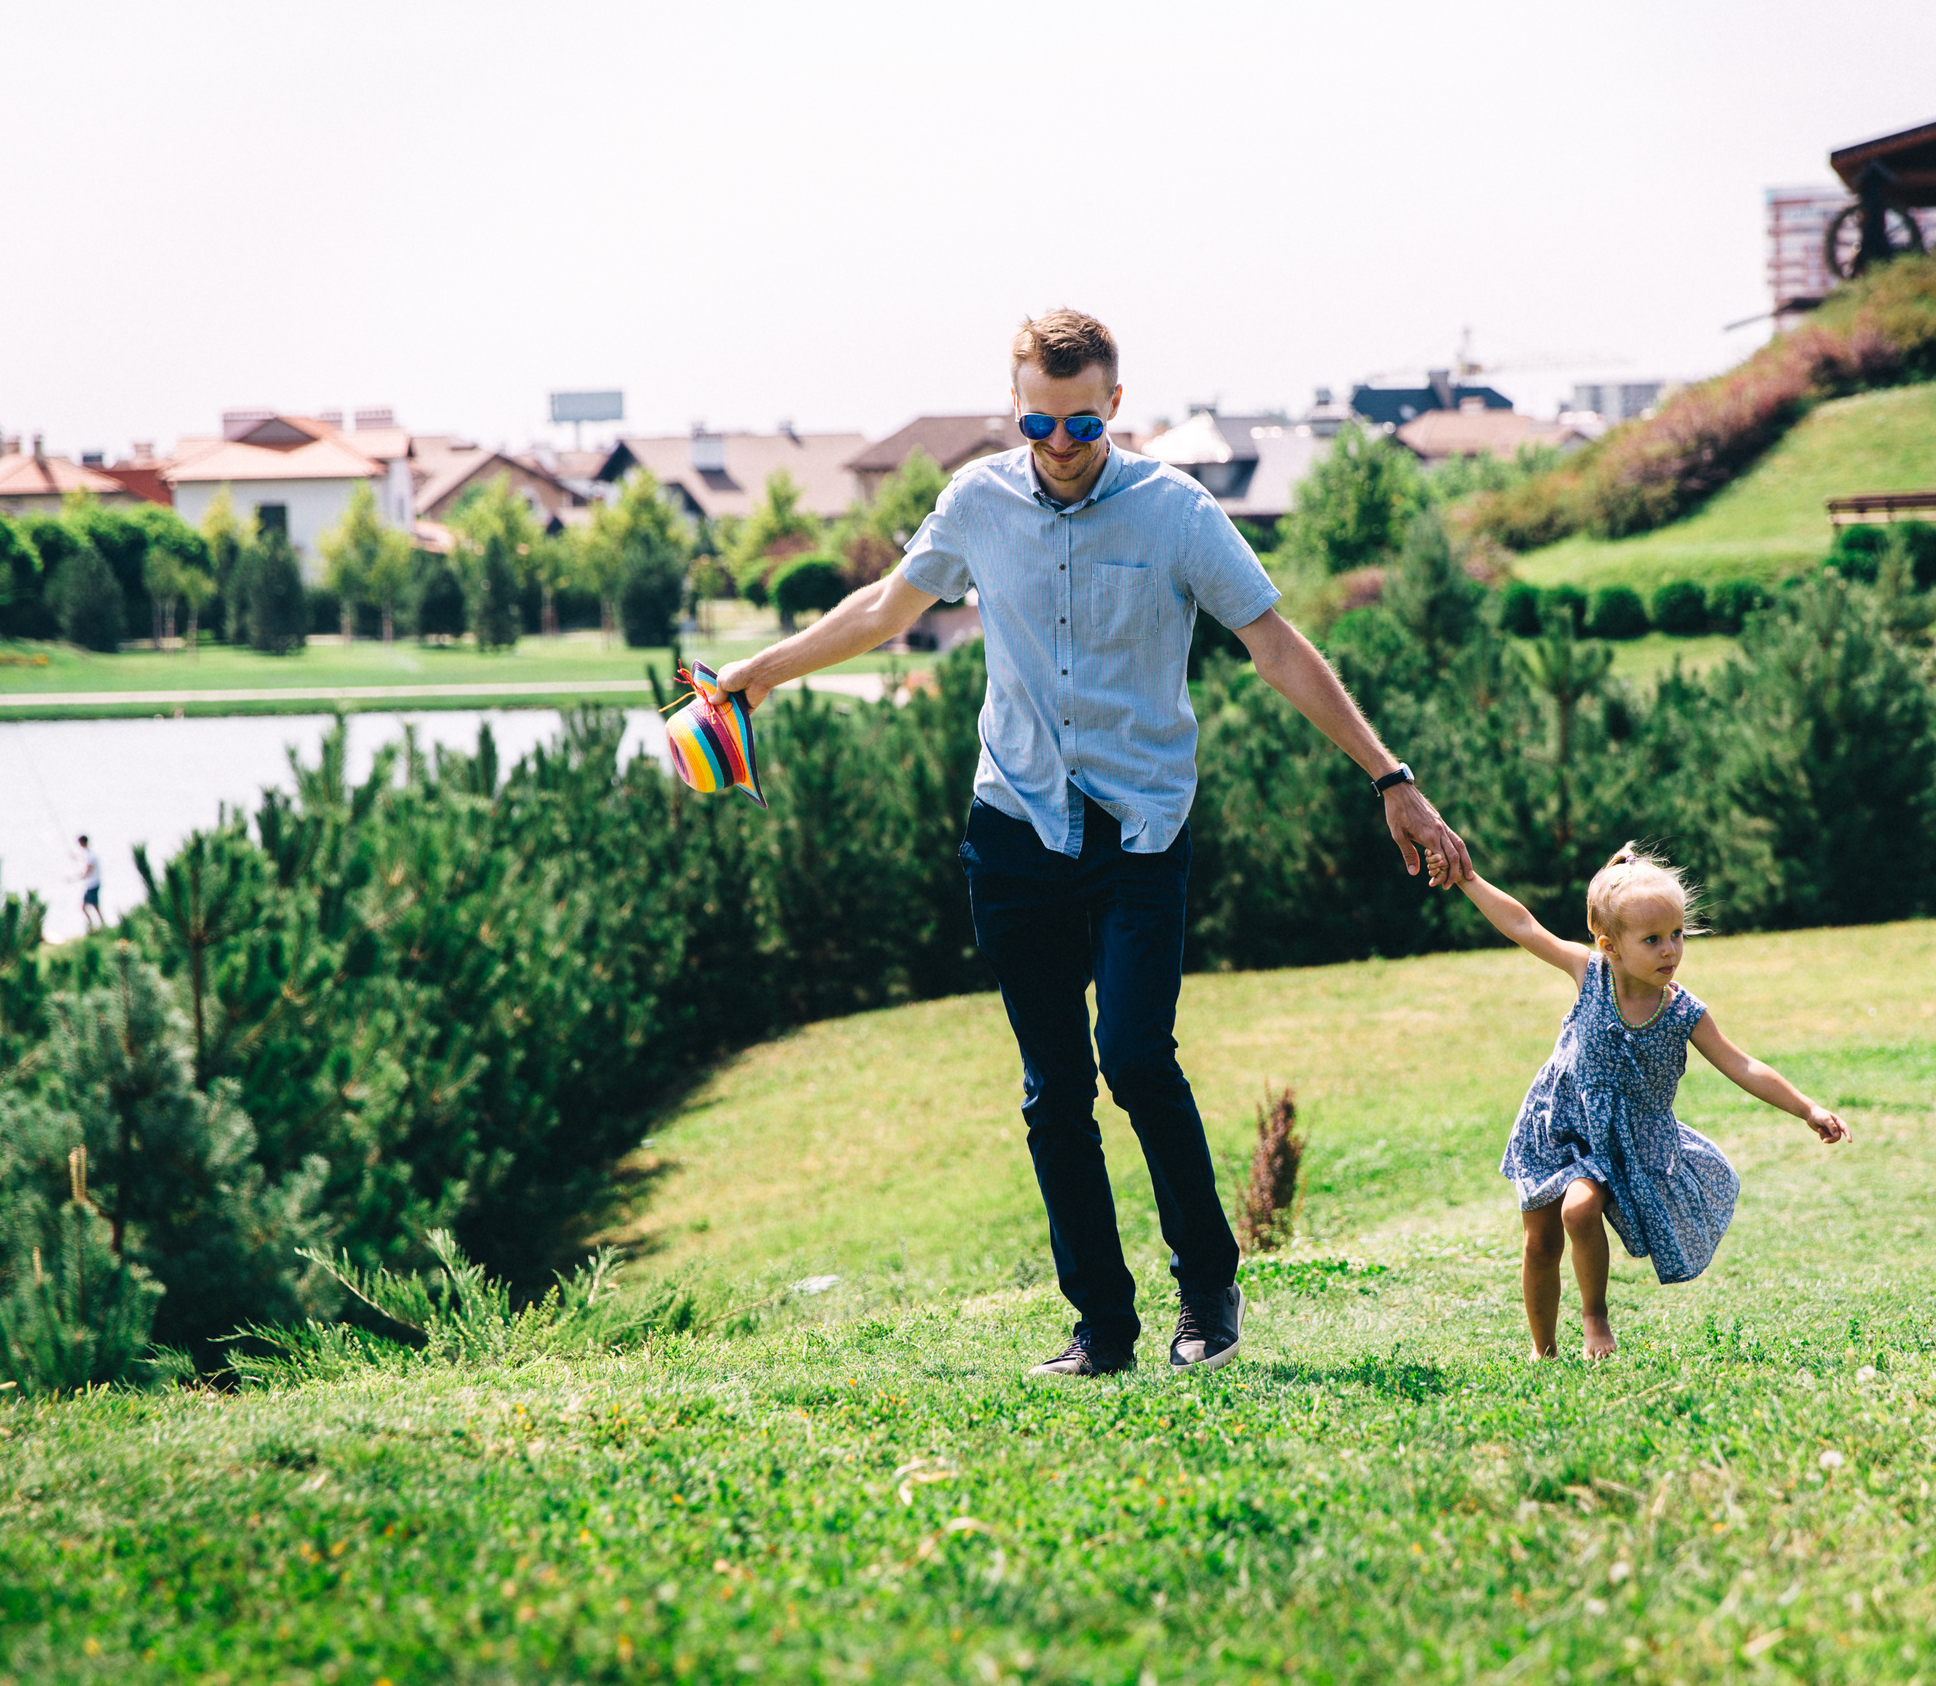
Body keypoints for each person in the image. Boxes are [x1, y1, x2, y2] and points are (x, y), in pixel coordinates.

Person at [717, 309, 1474, 1379]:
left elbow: (1273, 643)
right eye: (1038, 420)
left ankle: (1206, 1290)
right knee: (1052, 1091)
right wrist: (763, 670)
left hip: (1139, 831)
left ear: (1114, 406)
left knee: (1133, 1056)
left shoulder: (1177, 513)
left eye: (1080, 422)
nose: (1059, 443)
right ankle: (1101, 1328)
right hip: (1014, 828)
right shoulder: (976, 501)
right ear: (1014, 407)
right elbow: (887, 609)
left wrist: (1388, 777)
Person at [1435, 842, 1845, 1360]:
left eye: (1677, 935)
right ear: (1610, 945)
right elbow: (1523, 927)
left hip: (1623, 1140)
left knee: (1579, 1212)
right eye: (1653, 940)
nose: (1670, 950)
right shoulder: (1590, 975)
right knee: (1539, 1243)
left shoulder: (1683, 1012)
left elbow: (1742, 1065)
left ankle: (1595, 1319)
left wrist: (1807, 1108)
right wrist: (1468, 879)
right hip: (1557, 1120)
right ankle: (1543, 1350)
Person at [73, 834, 105, 932]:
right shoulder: (89, 853)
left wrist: (76, 878)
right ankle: (100, 924)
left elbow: (89, 870)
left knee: (84, 906)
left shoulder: (91, 856)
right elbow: (83, 858)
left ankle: (92, 925)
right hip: (93, 884)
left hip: (92, 884)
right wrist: (74, 856)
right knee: (94, 906)